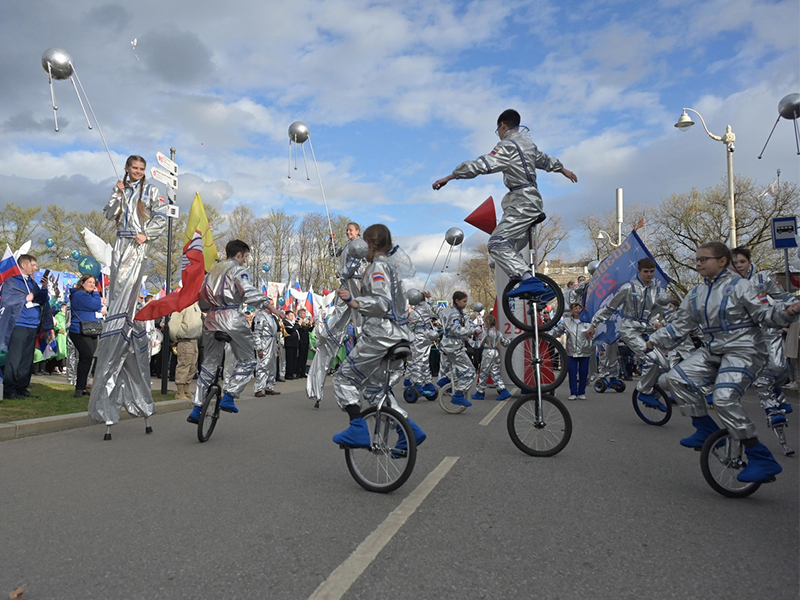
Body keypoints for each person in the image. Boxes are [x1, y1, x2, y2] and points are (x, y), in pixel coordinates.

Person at [648, 242, 800, 483]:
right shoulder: (696, 294)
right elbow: (681, 325)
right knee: (673, 379)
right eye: (697, 259)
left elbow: (764, 314)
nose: (698, 263)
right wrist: (653, 341)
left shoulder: (741, 287)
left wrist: (787, 311)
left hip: (745, 350)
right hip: (714, 350)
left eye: (704, 259)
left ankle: (761, 457)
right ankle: (705, 428)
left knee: (723, 398)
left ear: (721, 261)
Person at [432, 109, 577, 298]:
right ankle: (537, 291)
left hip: (522, 202)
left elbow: (481, 165)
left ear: (502, 126)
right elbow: (545, 160)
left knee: (497, 243)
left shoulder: (507, 147)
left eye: (498, 131)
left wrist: (449, 177)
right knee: (511, 247)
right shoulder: (529, 147)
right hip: (531, 200)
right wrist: (563, 169)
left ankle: (528, 280)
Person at [89, 155, 168, 427]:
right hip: (120, 248)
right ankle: (118, 321)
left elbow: (161, 215)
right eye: (134, 168)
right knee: (117, 295)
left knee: (128, 297)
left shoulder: (151, 190)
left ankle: (126, 322)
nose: (138, 172)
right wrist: (117, 194)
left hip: (137, 247)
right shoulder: (121, 187)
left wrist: (148, 234)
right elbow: (109, 214)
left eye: (141, 169)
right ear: (127, 168)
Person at [330, 224, 425, 450]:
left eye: (364, 242)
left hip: (381, 335)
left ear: (371, 244)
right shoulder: (391, 268)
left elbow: (382, 303)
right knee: (374, 389)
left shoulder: (378, 267)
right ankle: (409, 430)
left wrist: (354, 301)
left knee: (343, 379)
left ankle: (356, 427)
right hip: (398, 336)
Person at [187, 239, 272, 423]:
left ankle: (197, 407)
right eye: (245, 257)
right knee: (248, 359)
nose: (244, 261)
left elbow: (201, 300)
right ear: (239, 254)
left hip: (211, 319)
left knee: (209, 363)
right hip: (232, 318)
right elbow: (247, 293)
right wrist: (268, 304)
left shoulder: (211, 272)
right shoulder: (238, 270)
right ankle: (229, 396)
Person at [588, 258, 670, 410]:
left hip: (648, 329)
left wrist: (665, 323)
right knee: (651, 358)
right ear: (639, 271)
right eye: (646, 271)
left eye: (652, 272)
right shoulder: (628, 288)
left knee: (665, 365)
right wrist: (594, 324)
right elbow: (609, 308)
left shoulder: (658, 291)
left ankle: (654, 393)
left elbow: (668, 313)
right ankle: (644, 391)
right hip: (629, 329)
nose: (649, 275)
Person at [731, 247, 794, 423]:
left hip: (769, 329)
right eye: (735, 263)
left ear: (749, 262)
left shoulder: (763, 278)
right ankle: (771, 409)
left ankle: (777, 394)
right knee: (761, 373)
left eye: (742, 262)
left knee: (780, 368)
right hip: (747, 334)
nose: (739, 266)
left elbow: (782, 296)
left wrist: (792, 306)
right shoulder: (730, 285)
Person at [307, 222, 366, 405]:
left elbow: (355, 264)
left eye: (351, 230)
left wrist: (341, 272)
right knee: (338, 318)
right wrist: (330, 241)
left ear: (358, 232)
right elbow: (334, 253)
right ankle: (328, 337)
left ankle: (365, 346)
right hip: (346, 284)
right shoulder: (348, 245)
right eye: (347, 230)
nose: (348, 232)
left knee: (359, 321)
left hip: (355, 284)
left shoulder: (360, 244)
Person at [0, 254, 52, 398]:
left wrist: (44, 287)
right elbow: (7, 300)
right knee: (15, 358)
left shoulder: (33, 284)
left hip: (32, 325)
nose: (36, 268)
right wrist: (24, 298)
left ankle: (22, 387)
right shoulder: (12, 282)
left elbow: (41, 300)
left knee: (27, 359)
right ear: (23, 265)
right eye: (33, 265)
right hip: (19, 324)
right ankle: (9, 389)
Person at [439, 291, 480, 408]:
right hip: (453, 346)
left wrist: (430, 299)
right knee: (470, 372)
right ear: (457, 301)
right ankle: (459, 395)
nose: (466, 304)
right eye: (464, 301)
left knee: (458, 368)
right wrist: (471, 331)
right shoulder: (454, 315)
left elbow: (436, 310)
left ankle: (445, 380)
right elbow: (456, 329)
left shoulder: (449, 310)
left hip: (448, 345)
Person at [67, 274, 106, 397]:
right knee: (86, 356)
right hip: (79, 330)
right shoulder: (79, 295)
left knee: (88, 358)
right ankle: (79, 387)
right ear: (82, 283)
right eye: (89, 282)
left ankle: (82, 386)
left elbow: (93, 309)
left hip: (91, 330)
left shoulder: (88, 296)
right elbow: (94, 306)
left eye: (94, 283)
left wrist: (99, 307)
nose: (92, 285)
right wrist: (97, 296)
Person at [551, 303, 594, 400]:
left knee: (583, 372)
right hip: (571, 351)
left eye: (579, 308)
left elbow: (594, 335)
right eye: (575, 308)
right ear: (571, 310)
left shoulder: (588, 322)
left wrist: (591, 338)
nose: (578, 310)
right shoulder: (566, 322)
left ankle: (582, 392)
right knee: (572, 372)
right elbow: (557, 331)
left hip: (585, 351)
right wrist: (545, 335)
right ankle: (573, 392)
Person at [405, 290, 439, 398]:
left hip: (418, 338)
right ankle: (427, 382)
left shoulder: (414, 314)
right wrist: (428, 297)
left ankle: (418, 383)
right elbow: (429, 304)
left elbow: (409, 327)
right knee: (425, 360)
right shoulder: (427, 309)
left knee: (417, 361)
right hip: (426, 337)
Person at [471, 314, 512, 401]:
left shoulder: (485, 333)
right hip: (495, 352)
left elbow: (477, 345)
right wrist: (509, 339)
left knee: (483, 372)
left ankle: (480, 392)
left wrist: (469, 340)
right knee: (495, 372)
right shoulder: (498, 332)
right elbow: (505, 343)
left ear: (486, 323)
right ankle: (503, 390)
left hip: (487, 352)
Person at [169, 301, 202, 400]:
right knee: (183, 366)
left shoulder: (196, 305)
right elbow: (174, 325)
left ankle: (186, 389)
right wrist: (174, 339)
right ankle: (179, 392)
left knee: (192, 367)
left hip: (194, 340)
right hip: (185, 340)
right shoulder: (182, 304)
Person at [253, 301, 285, 397]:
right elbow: (257, 334)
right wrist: (259, 348)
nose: (273, 305)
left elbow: (276, 334)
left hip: (272, 344)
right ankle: (258, 388)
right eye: (270, 303)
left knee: (272, 366)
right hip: (264, 343)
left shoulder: (272, 317)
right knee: (263, 365)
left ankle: (269, 387)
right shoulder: (260, 317)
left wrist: (276, 347)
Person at [282, 310, 300, 379]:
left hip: (295, 343)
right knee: (289, 359)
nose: (292, 317)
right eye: (291, 315)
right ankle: (288, 374)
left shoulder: (292, 323)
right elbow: (291, 330)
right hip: (290, 343)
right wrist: (297, 324)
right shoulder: (286, 323)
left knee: (294, 359)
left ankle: (292, 373)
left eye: (293, 315)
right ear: (286, 316)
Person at [296, 308, 313, 378]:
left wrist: (311, 324)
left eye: (305, 313)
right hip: (301, 341)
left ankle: (303, 371)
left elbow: (309, 330)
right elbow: (301, 329)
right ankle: (298, 372)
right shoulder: (298, 321)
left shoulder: (305, 321)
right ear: (299, 314)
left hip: (306, 341)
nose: (304, 314)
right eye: (303, 313)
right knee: (300, 357)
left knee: (304, 357)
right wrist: (304, 324)